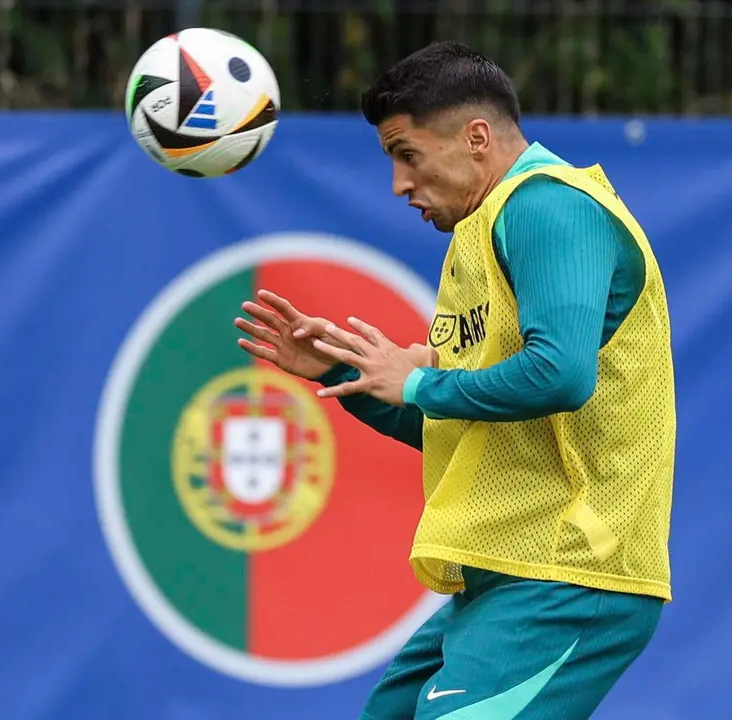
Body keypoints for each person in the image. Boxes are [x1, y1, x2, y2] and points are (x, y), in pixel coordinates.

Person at [233, 41, 676, 720]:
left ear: (476, 138)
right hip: (501, 574)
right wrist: (344, 372)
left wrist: (415, 383)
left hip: (570, 574)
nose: (398, 185)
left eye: (407, 155)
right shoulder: (481, 230)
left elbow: (559, 376)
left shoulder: (549, 206)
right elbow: (462, 424)